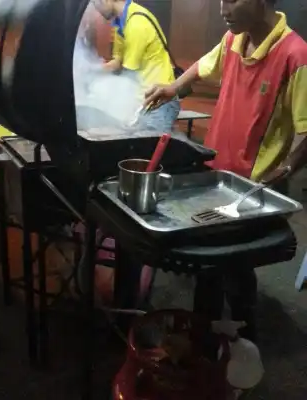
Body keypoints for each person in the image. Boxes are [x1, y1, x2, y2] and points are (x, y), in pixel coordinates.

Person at [145, 0, 307, 340]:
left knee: (236, 267)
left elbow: (306, 130)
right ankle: (204, 340)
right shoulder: (234, 40)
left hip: (254, 186)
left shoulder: (296, 55)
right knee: (208, 266)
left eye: (232, 0)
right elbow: (204, 66)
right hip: (217, 177)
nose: (223, 9)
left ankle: (243, 339)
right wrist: (172, 88)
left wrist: (287, 168)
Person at [91, 0, 180, 132]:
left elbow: (128, 73)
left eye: (96, 2)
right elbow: (118, 62)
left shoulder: (137, 22)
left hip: (159, 100)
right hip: (141, 99)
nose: (96, 8)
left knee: (148, 146)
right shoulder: (120, 23)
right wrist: (89, 70)